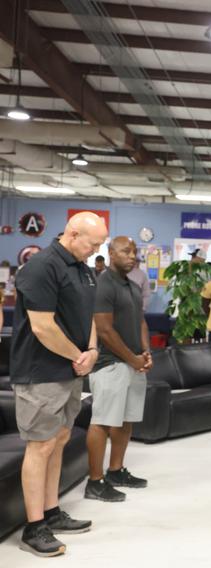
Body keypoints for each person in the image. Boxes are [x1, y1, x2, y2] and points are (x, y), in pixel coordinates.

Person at [10, 211, 108, 557]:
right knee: (40, 445)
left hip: (70, 371)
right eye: (93, 243)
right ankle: (33, 526)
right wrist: (77, 356)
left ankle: (51, 512)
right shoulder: (40, 267)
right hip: (41, 372)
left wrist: (93, 350)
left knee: (60, 439)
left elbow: (88, 318)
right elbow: (42, 326)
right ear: (72, 233)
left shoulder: (82, 269)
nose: (97, 250)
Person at [85, 237, 152, 503]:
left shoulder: (134, 286)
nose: (132, 255)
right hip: (109, 364)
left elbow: (141, 322)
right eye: (126, 251)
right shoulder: (103, 284)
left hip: (133, 364)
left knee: (126, 420)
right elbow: (104, 329)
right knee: (102, 421)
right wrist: (131, 359)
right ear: (111, 253)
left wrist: (145, 353)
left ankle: (115, 471)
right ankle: (94, 481)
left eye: (134, 252)